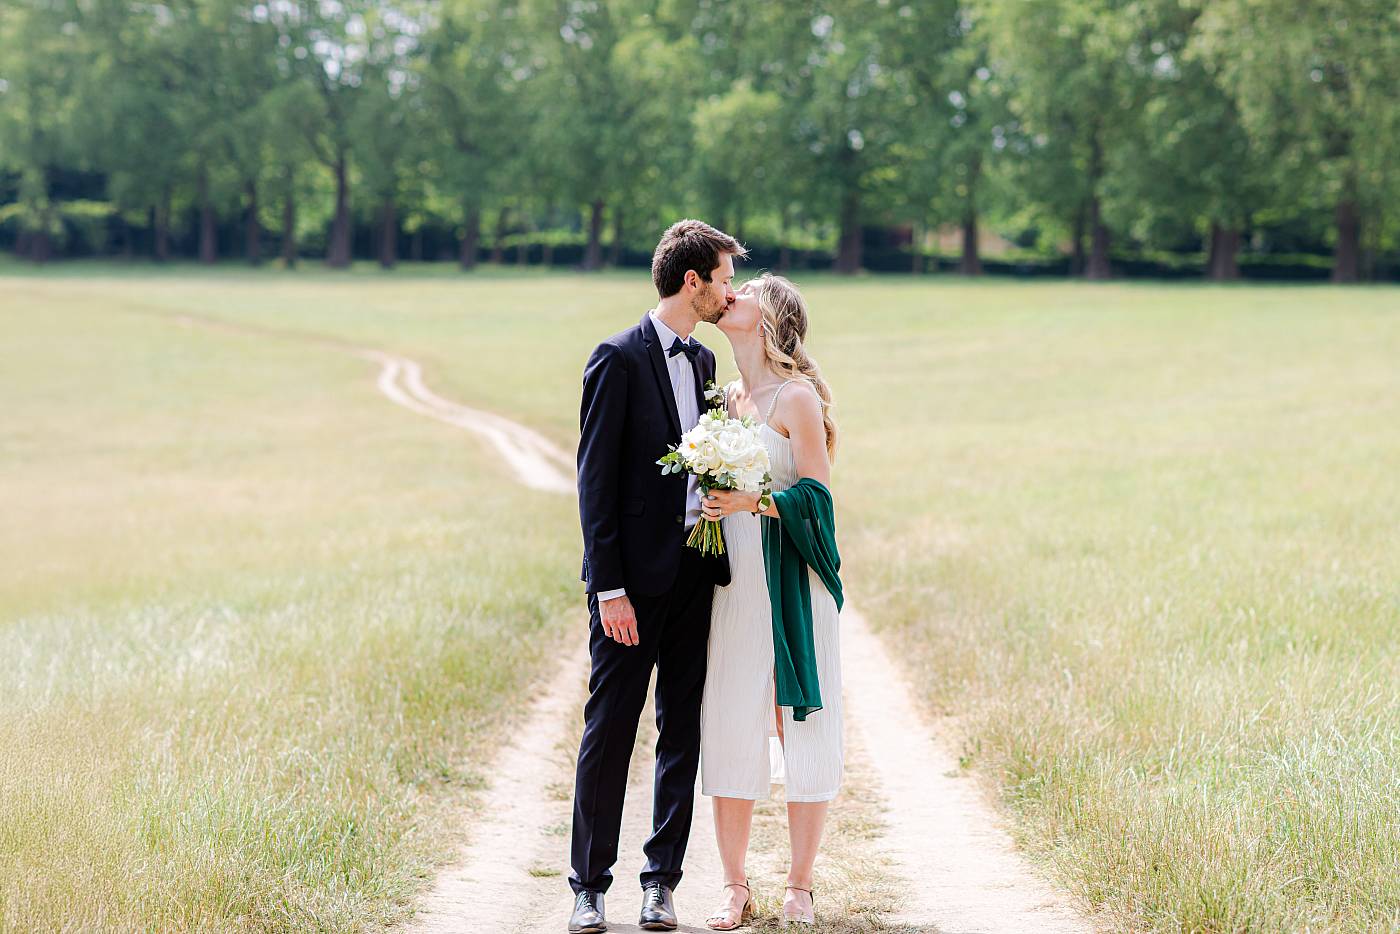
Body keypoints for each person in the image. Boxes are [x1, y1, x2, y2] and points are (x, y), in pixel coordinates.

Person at [569, 219, 746, 933]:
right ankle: (588, 885)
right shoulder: (615, 358)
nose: (728, 292)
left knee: (681, 729)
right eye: (724, 279)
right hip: (629, 590)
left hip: (694, 575)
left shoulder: (704, 366)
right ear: (691, 280)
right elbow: (594, 484)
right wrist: (607, 587)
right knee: (611, 727)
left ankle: (661, 882)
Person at [697, 274, 844, 929]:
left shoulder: (797, 398)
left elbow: (817, 498)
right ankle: (734, 886)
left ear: (771, 318)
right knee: (729, 721)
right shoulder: (728, 398)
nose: (736, 292)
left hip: (790, 585)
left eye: (749, 288)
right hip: (734, 591)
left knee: (799, 725)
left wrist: (754, 502)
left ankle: (801, 886)